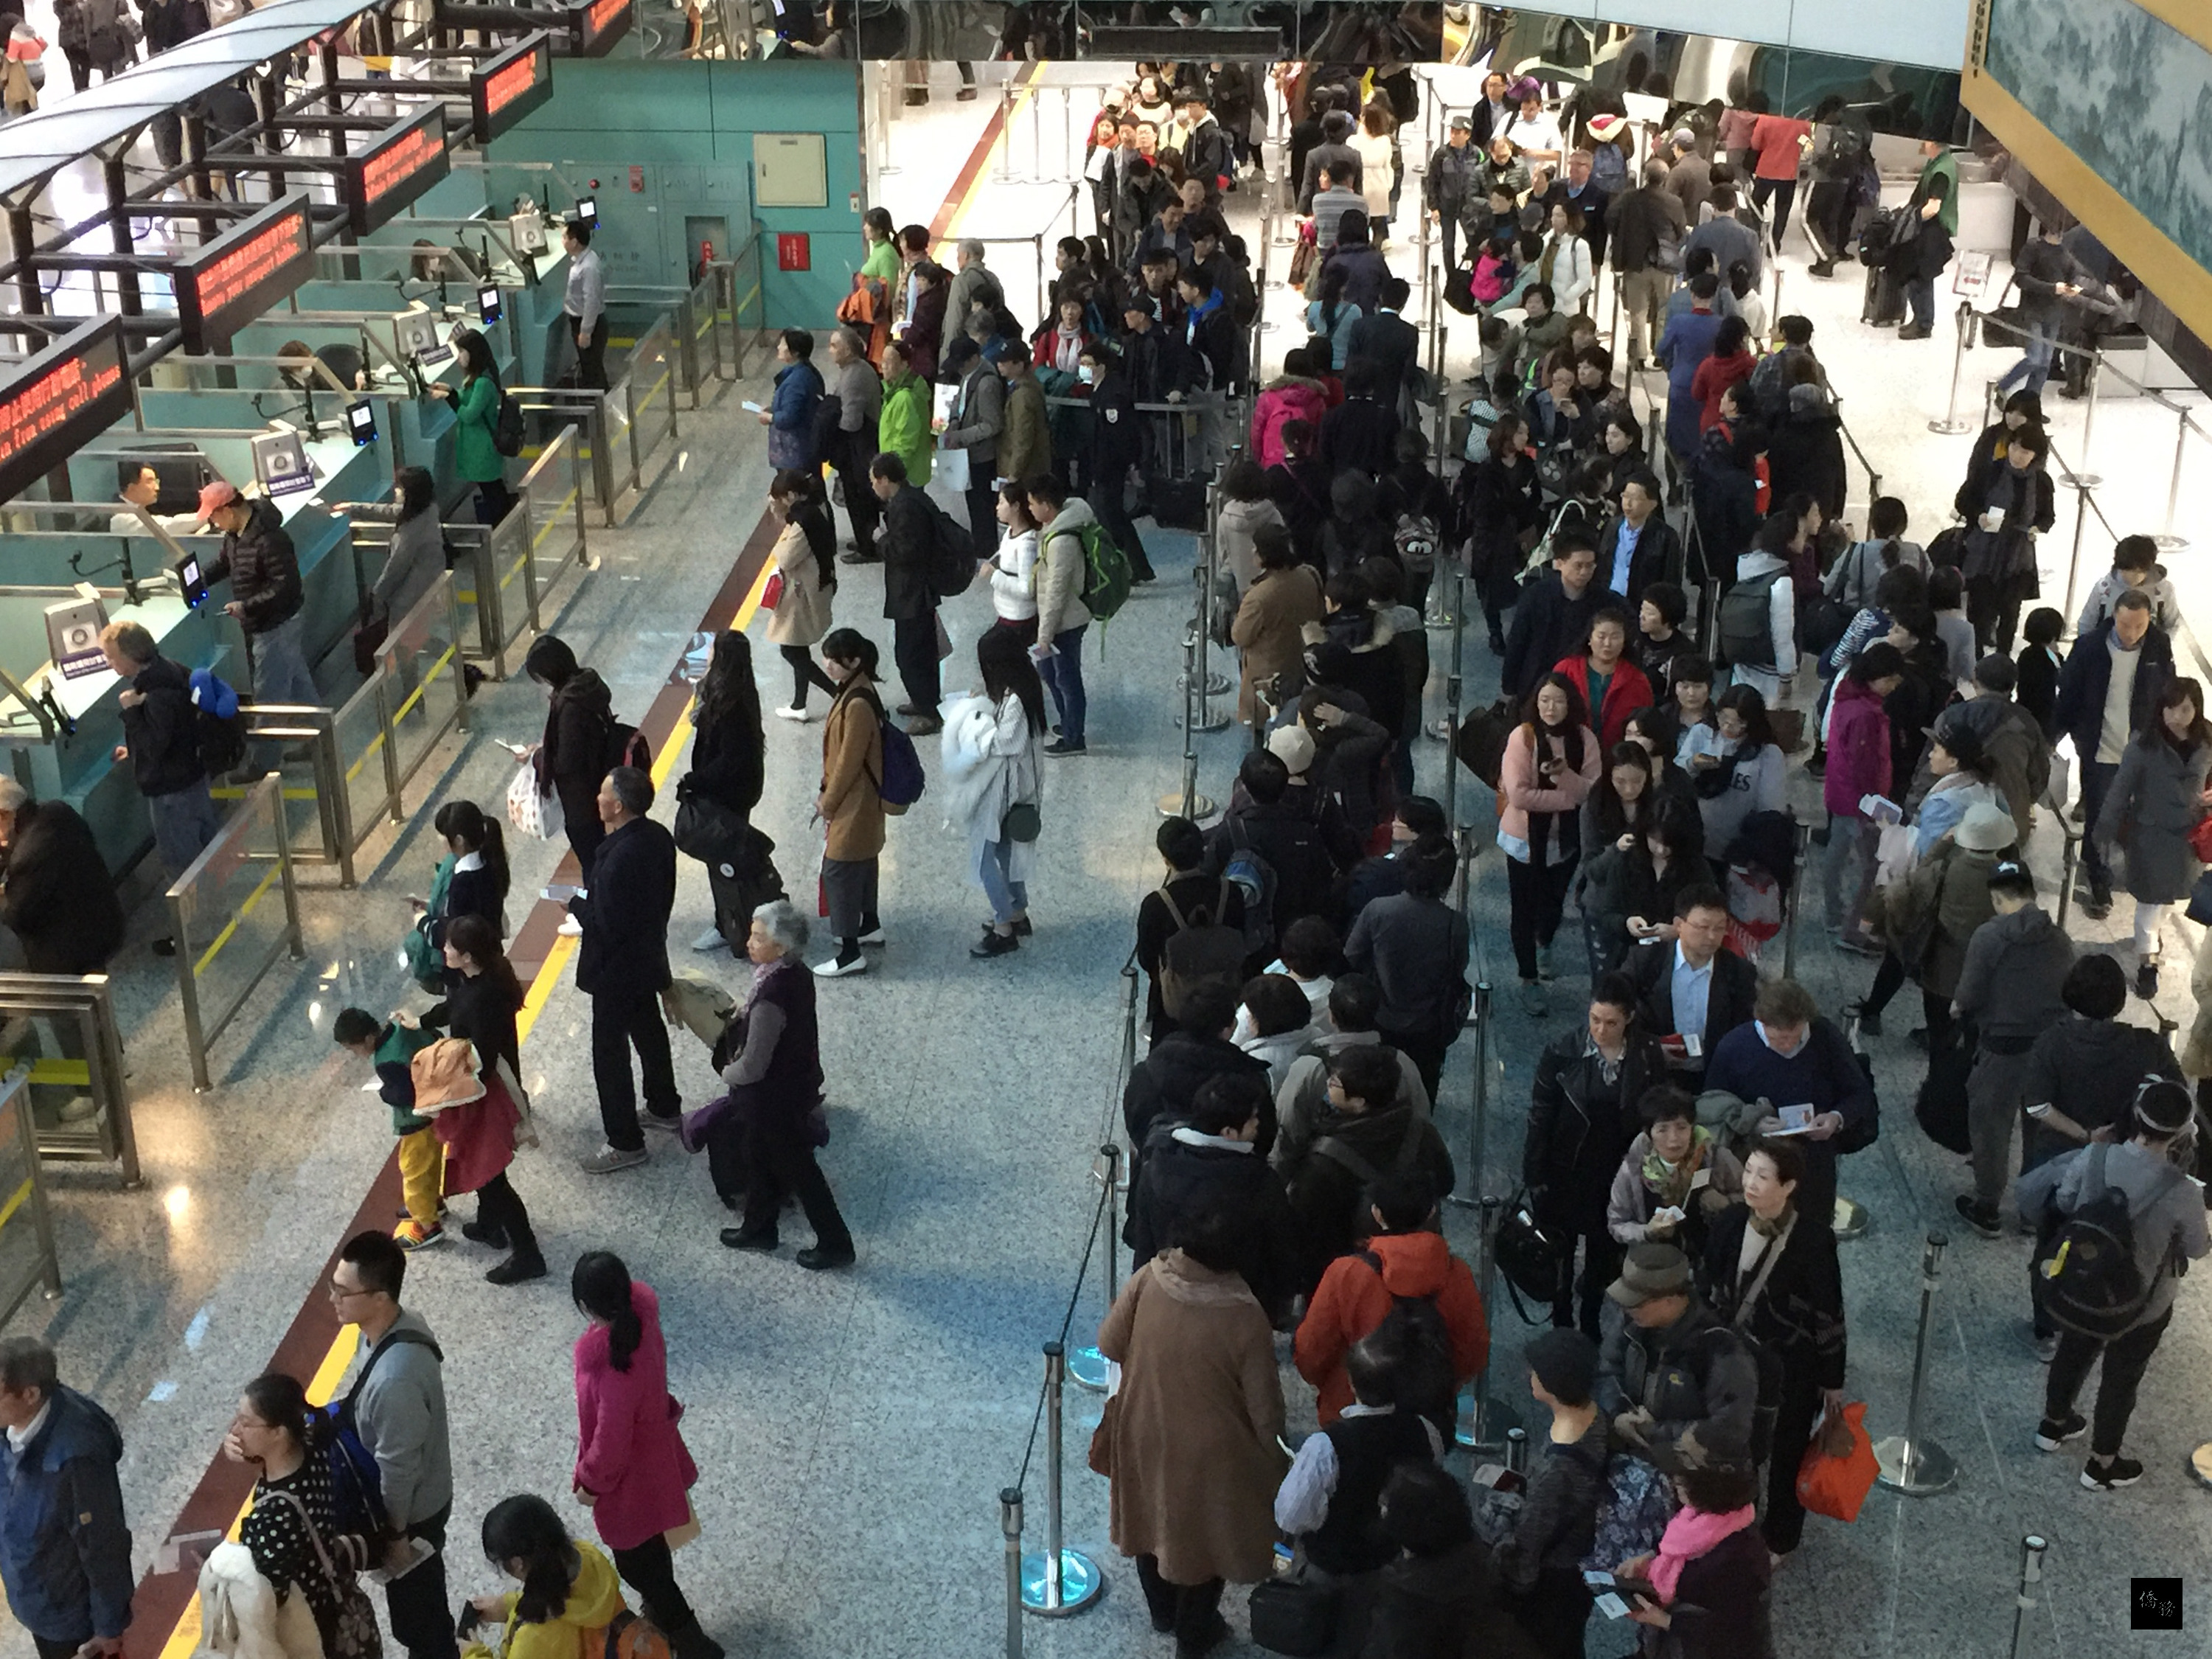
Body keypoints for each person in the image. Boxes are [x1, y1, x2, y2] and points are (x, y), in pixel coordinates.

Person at [1094, 1209, 1287, 1658]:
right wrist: (1278, 1464)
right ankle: (1194, 1634)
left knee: (1147, 1522)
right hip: (1212, 1453)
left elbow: (1108, 1341)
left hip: (1144, 1424)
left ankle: (1161, 1612)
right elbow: (1265, 1413)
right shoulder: (1244, 1311)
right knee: (1207, 1545)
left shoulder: (1149, 1277)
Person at [2022, 1079, 2209, 1490]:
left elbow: (2067, 1202)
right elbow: (2198, 1249)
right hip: (2143, 1303)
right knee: (2123, 1376)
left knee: (2074, 1349)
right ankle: (2102, 1463)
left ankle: (2053, 1425)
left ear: (2135, 1115)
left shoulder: (2096, 1155)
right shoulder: (2183, 1192)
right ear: (2182, 1132)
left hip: (2082, 1284)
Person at [1697, 1138, 1845, 1559]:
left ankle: (1780, 1536)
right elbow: (1707, 1281)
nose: (1750, 1183)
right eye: (1748, 1172)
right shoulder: (1729, 1221)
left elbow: (1828, 1312)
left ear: (1789, 1186)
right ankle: (1730, 1521)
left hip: (1788, 1364)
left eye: (1763, 1176)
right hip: (1732, 1355)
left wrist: (1832, 1380)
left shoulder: (1814, 1240)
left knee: (1786, 1448)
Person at [568, 1256, 718, 1659]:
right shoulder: (644, 1325)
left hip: (630, 1482)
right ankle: (666, 1615)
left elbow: (609, 1444)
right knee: (654, 1547)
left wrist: (590, 1484)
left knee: (636, 1564)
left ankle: (692, 1642)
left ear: (587, 1306)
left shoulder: (612, 1368)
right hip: (657, 1457)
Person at [705, 901, 854, 1267]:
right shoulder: (794, 974)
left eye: (758, 937)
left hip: (774, 1100)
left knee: (800, 1170)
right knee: (758, 1157)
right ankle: (759, 1227)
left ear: (782, 946)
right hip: (789, 1090)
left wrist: (727, 1073)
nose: (748, 942)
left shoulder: (772, 995)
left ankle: (835, 1243)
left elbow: (754, 1065)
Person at [328, 1230, 456, 1659]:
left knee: (420, 1622)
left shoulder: (396, 1379)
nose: (333, 1299)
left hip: (413, 1516)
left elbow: (399, 1469)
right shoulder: (397, 1325)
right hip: (423, 1495)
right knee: (421, 1615)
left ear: (380, 1297)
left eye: (344, 1292)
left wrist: (396, 1536)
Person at [1274, 1331, 1439, 1645]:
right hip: (1393, 1564)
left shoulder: (1326, 1446)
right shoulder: (1424, 1431)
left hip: (1334, 1569)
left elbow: (1290, 1516)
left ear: (1351, 1383)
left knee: (1329, 1639)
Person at [1294, 1169, 1486, 1434]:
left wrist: (1333, 1385)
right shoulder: (1456, 1273)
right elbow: (1473, 1352)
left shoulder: (1346, 1273)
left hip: (1351, 1415)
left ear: (1376, 1214)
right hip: (1427, 1420)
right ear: (1432, 1213)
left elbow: (1310, 1353)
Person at [1526, 975, 1663, 1337]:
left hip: (1615, 1173)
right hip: (1567, 1170)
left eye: (1611, 1023)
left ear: (1629, 1019)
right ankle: (1561, 1320)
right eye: (1595, 1020)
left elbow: (1655, 1113)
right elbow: (1541, 1115)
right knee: (1562, 1254)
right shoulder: (1563, 1051)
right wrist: (1535, 1175)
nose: (1601, 1030)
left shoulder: (1646, 1054)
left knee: (1603, 1253)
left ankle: (1590, 1316)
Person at [1950, 860, 2076, 1237]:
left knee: (1991, 1127)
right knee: (2039, 1129)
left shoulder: (1989, 937)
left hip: (2002, 1048)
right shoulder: (2060, 940)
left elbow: (1968, 995)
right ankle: (2031, 1210)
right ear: (2032, 894)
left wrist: (1956, 1009)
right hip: (2048, 1051)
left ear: (1996, 896)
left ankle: (1987, 1205)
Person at [571, 767, 681, 1174]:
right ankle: (665, 1105)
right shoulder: (657, 838)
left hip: (614, 971)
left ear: (617, 805)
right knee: (649, 1030)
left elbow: (605, 924)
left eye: (602, 793)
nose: (596, 798)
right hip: (647, 957)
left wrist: (575, 906)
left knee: (609, 1053)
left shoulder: (617, 858)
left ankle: (625, 1141)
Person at [1703, 978, 1875, 1228]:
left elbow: (1859, 1092)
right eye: (1778, 1039)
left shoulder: (1825, 1037)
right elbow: (1712, 1105)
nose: (1787, 1045)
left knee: (1812, 1231)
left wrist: (1836, 1118)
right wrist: (1753, 1121)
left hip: (1814, 1162)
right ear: (1761, 1023)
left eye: (1795, 1037)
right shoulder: (1733, 1047)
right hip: (1755, 1163)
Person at [1125, 1073, 1299, 1320]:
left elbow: (1144, 1240)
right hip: (1236, 1307)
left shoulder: (1156, 1163)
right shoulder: (1259, 1181)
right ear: (1228, 1132)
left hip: (1169, 1293)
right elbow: (1280, 1248)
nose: (1258, 1123)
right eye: (1252, 1118)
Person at [221, 1371, 372, 1656]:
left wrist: (213, 1571)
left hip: (313, 1635)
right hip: (338, 1603)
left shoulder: (275, 1519)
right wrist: (249, 1453)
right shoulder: (312, 1448)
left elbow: (264, 1599)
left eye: (245, 1423)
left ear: (278, 1432)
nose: (235, 1430)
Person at [0, 1337, 131, 1659]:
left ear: (30, 1394)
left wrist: (108, 1627)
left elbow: (103, 1548)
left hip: (68, 1617)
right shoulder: (14, 1422)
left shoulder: (75, 1458)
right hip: (35, 1592)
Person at [98, 619, 218, 953]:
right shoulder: (170, 670)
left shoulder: (152, 694)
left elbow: (156, 745)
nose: (110, 665)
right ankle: (214, 917)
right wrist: (133, 748)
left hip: (171, 793)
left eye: (111, 657)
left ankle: (194, 936)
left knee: (181, 865)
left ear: (131, 656)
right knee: (204, 853)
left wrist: (131, 714)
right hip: (192, 778)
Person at [2054, 589, 2174, 920]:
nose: (2132, 633)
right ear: (2113, 618)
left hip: (2143, 750)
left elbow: (2168, 691)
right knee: (2100, 815)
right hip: (2100, 748)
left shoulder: (2158, 645)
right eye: (2125, 625)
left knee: (2142, 813)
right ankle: (2098, 875)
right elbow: (2069, 696)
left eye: (2139, 626)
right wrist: (2056, 736)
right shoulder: (2090, 647)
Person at [1594, 1240, 1760, 1473]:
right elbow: (1606, 1369)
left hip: (1688, 1480)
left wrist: (1652, 1432)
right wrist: (1620, 1412)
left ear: (1669, 1300)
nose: (1626, 1309)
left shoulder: (1720, 1349)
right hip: (1632, 1467)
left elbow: (1730, 1429)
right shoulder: (1632, 1322)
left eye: (1636, 1303)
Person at [2094, 675, 2212, 999]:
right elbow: (2120, 789)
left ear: (2197, 709)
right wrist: (2104, 828)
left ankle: (2151, 939)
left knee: (2172, 900)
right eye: (2169, 709)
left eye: (2185, 709)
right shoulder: (2143, 745)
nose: (2176, 717)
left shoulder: (2208, 740)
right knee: (2149, 903)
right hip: (2152, 836)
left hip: (2189, 838)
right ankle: (2148, 963)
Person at [942, 630, 1045, 958]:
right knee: (1005, 853)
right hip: (1017, 789)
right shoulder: (1026, 689)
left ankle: (1004, 927)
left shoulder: (1014, 699)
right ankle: (1017, 912)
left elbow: (1004, 742)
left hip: (1003, 792)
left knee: (985, 857)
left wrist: (976, 725)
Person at [1344, 834, 1469, 1099]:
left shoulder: (1378, 909)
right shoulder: (1454, 924)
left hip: (1379, 1018)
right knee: (1423, 1091)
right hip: (1429, 1026)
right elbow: (1458, 967)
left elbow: (1351, 955)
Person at [1615, 1466, 1774, 1656]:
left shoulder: (1739, 1556)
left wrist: (1664, 1620)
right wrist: (1652, 1561)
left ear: (1706, 1489)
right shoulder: (1705, 1517)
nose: (1675, 1484)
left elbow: (1733, 1629)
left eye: (1683, 1482)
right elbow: (1679, 1553)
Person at [199, 480, 316, 728]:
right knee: (298, 683)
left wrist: (247, 606)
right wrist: (198, 580)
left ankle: (264, 762)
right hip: (268, 624)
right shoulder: (235, 534)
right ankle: (323, 736)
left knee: (269, 697)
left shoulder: (271, 539)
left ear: (227, 511)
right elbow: (225, 563)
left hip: (276, 626)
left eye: (213, 517)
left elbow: (286, 586)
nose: (214, 524)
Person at [1623, 884, 1760, 1091]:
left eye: (1720, 928)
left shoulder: (1739, 972)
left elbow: (1745, 1029)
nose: (1712, 936)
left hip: (1714, 1080)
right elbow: (1617, 1011)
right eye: (1703, 928)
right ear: (1679, 925)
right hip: (1653, 1076)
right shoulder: (1645, 963)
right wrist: (1651, 1050)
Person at [680, 630, 765, 952]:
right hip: (736, 788)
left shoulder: (731, 704)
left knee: (722, 859)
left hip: (727, 792)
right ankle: (731, 918)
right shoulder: (739, 692)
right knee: (723, 856)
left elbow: (729, 758)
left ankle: (730, 922)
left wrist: (695, 780)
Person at [811, 629, 888, 977]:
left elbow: (848, 762)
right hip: (862, 800)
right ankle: (869, 923)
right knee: (864, 861)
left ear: (854, 662)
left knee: (839, 869)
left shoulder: (856, 704)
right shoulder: (857, 689)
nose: (827, 664)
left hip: (854, 800)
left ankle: (850, 951)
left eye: (834, 659)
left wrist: (828, 802)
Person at [464, 1494, 626, 1659]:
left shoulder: (535, 1635)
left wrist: (473, 1653)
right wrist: (508, 1604)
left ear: (516, 1563)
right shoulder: (587, 1556)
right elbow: (567, 1598)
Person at [1821, 644, 1904, 953]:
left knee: (1837, 854)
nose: (1893, 687)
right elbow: (1866, 764)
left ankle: (1833, 914)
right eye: (1891, 680)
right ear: (1877, 676)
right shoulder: (1867, 713)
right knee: (1872, 866)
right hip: (1861, 801)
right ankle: (1853, 928)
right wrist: (1874, 806)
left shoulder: (1846, 695)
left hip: (1840, 792)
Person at [522, 633, 619, 896]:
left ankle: (597, 909)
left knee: (592, 860)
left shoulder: (570, 706)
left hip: (581, 798)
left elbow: (568, 760)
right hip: (599, 778)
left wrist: (538, 757)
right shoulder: (588, 685)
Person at [1135, 817, 1246, 1043]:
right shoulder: (1230, 892)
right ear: (1201, 850)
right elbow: (1239, 936)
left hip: (1176, 1002)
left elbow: (1147, 958)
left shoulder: (1157, 903)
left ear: (1166, 860)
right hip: (1223, 993)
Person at [1607, 1083, 1745, 1259]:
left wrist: (1726, 1203)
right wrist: (1647, 1231)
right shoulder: (1633, 1168)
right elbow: (1617, 1224)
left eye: (1682, 1127)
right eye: (1662, 1129)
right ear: (1648, 1133)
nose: (1673, 1139)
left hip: (1710, 1260)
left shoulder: (1717, 1158)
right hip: (1656, 1265)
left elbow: (1751, 1200)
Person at [0, 782, 122, 975]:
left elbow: (17, 915)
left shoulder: (27, 856)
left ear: (4, 816)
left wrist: (5, 893)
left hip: (65, 952)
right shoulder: (59, 811)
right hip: (100, 921)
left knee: (74, 1001)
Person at [869, 451, 946, 736]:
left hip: (911, 591)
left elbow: (905, 551)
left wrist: (881, 539)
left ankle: (928, 713)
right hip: (918, 588)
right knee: (921, 649)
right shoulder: (913, 498)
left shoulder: (905, 508)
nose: (873, 486)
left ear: (886, 479)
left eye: (875, 480)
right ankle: (924, 700)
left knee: (910, 654)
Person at [1023, 473, 1095, 757]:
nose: (1029, 508)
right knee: (1050, 674)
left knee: (1067, 679)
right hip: (1057, 622)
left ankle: (1075, 738)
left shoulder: (1061, 541)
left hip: (1066, 622)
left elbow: (1057, 594)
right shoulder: (1054, 529)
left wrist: (1044, 634)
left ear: (1046, 505)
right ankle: (1068, 723)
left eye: (1031, 503)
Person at [764, 468, 840, 719]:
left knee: (791, 650)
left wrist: (779, 532)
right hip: (811, 587)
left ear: (791, 496)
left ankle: (837, 693)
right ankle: (799, 705)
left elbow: (785, 558)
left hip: (802, 594)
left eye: (780, 498)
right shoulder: (814, 510)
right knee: (798, 646)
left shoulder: (802, 522)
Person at [1078, 342, 1157, 582]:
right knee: (1114, 517)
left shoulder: (1113, 394)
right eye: (1082, 364)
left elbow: (1120, 435)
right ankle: (1135, 567)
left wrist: (1127, 464)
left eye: (1088, 364)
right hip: (1101, 464)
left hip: (1109, 466)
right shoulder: (1101, 390)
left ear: (1102, 366)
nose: (1084, 369)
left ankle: (1126, 568)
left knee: (1112, 518)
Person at [1501, 533, 1605, 703]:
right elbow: (1518, 641)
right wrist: (1509, 687)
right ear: (1559, 563)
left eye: (1590, 566)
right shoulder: (1536, 596)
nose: (1585, 572)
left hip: (1580, 688)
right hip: (1535, 682)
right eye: (1578, 565)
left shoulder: (1604, 601)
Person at [937, 335, 1004, 550]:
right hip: (968, 453)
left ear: (975, 358)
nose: (958, 368)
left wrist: (960, 436)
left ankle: (985, 549)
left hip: (982, 456)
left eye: (962, 363)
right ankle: (980, 545)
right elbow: (959, 403)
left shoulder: (987, 384)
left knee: (982, 505)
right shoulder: (968, 376)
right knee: (973, 504)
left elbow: (992, 425)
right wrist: (954, 422)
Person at [1653, 274, 1723, 471]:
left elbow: (1661, 349)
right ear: (1714, 296)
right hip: (1708, 387)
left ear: (1692, 295)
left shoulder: (1679, 321)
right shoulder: (1720, 324)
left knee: (1675, 436)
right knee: (1701, 435)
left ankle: (1674, 486)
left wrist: (1671, 365)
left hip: (1681, 384)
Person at [823, 327, 882, 560]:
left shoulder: (854, 376)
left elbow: (850, 423)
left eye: (834, 346)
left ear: (847, 350)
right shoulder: (854, 370)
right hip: (861, 445)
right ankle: (864, 540)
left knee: (859, 497)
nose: (830, 351)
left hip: (858, 449)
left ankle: (868, 546)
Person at [1897, 131, 1958, 341]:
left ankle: (1924, 324)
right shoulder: (1938, 163)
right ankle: (1919, 319)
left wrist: (1910, 220)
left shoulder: (1942, 171)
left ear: (1933, 142)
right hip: (1928, 228)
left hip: (1932, 231)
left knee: (1922, 276)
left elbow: (1933, 206)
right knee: (1918, 275)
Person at [2077, 533, 2182, 639]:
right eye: (2127, 571)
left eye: (2139, 572)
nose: (2133, 577)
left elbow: (2172, 624)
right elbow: (2086, 623)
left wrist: (2161, 649)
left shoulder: (2163, 590)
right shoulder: (2104, 589)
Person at [872, 338, 933, 498]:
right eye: (882, 360)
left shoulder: (905, 398)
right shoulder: (894, 392)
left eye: (889, 361)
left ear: (904, 364)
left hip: (905, 477)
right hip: (905, 473)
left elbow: (906, 444)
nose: (883, 365)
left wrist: (891, 476)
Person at [1425, 113, 1478, 274]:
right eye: (1452, 131)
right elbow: (1433, 181)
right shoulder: (1441, 154)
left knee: (1474, 241)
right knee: (1448, 245)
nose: (1453, 135)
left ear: (1467, 135)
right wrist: (1434, 208)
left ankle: (1476, 274)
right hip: (1447, 206)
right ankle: (1451, 277)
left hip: (1468, 207)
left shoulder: (1477, 154)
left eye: (1458, 132)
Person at [561, 220, 608, 386]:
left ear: (574, 242)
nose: (562, 241)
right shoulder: (582, 260)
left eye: (565, 237)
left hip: (588, 324)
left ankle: (600, 403)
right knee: (591, 366)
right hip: (581, 321)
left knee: (592, 368)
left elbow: (591, 301)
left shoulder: (588, 267)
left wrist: (586, 332)